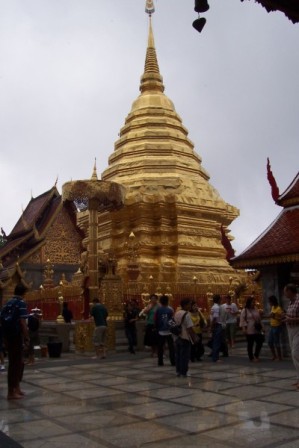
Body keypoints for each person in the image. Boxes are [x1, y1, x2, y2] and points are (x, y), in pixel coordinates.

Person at [2, 283, 29, 400]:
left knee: (17, 363)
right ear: (23, 293)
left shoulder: (8, 302)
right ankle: (10, 393)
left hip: (7, 335)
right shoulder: (21, 303)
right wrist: (26, 337)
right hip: (16, 336)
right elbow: (23, 322)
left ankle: (16, 388)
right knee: (14, 364)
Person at [174, 298, 197, 377]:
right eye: (189, 304)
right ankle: (184, 371)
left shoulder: (177, 313)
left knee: (178, 355)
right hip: (185, 336)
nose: (190, 306)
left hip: (177, 337)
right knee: (185, 356)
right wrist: (194, 337)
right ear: (185, 305)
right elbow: (189, 328)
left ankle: (178, 371)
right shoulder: (186, 314)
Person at [283, 284, 299, 389]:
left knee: (296, 353)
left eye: (285, 291)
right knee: (294, 354)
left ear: (290, 291)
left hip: (298, 328)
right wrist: (286, 317)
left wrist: (291, 319)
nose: (284, 294)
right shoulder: (290, 302)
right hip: (290, 329)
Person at [240, 296, 264, 362]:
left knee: (260, 341)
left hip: (257, 329)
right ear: (249, 303)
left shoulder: (256, 309)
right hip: (249, 329)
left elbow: (259, 318)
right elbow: (242, 320)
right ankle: (251, 357)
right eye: (252, 302)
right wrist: (244, 328)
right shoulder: (244, 310)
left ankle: (256, 355)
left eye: (254, 302)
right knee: (250, 344)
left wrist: (262, 326)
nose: (254, 303)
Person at [154, 295, 175, 367]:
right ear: (167, 302)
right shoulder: (170, 310)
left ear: (160, 302)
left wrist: (157, 328)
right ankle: (173, 361)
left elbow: (156, 320)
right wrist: (173, 327)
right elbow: (172, 320)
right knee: (171, 347)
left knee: (160, 347)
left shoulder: (158, 310)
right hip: (169, 331)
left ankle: (160, 362)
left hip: (161, 331)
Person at [210, 295, 227, 362]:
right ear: (219, 300)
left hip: (217, 325)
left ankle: (215, 356)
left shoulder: (214, 307)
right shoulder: (217, 307)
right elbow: (215, 318)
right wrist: (211, 326)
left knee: (216, 341)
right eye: (220, 299)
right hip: (217, 325)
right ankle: (215, 357)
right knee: (217, 342)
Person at [268, 295, 283, 361]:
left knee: (277, 342)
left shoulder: (278, 308)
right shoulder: (273, 307)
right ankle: (274, 355)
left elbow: (281, 318)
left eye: (270, 302)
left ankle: (279, 357)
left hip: (277, 326)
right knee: (270, 342)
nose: (269, 303)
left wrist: (275, 317)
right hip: (272, 325)